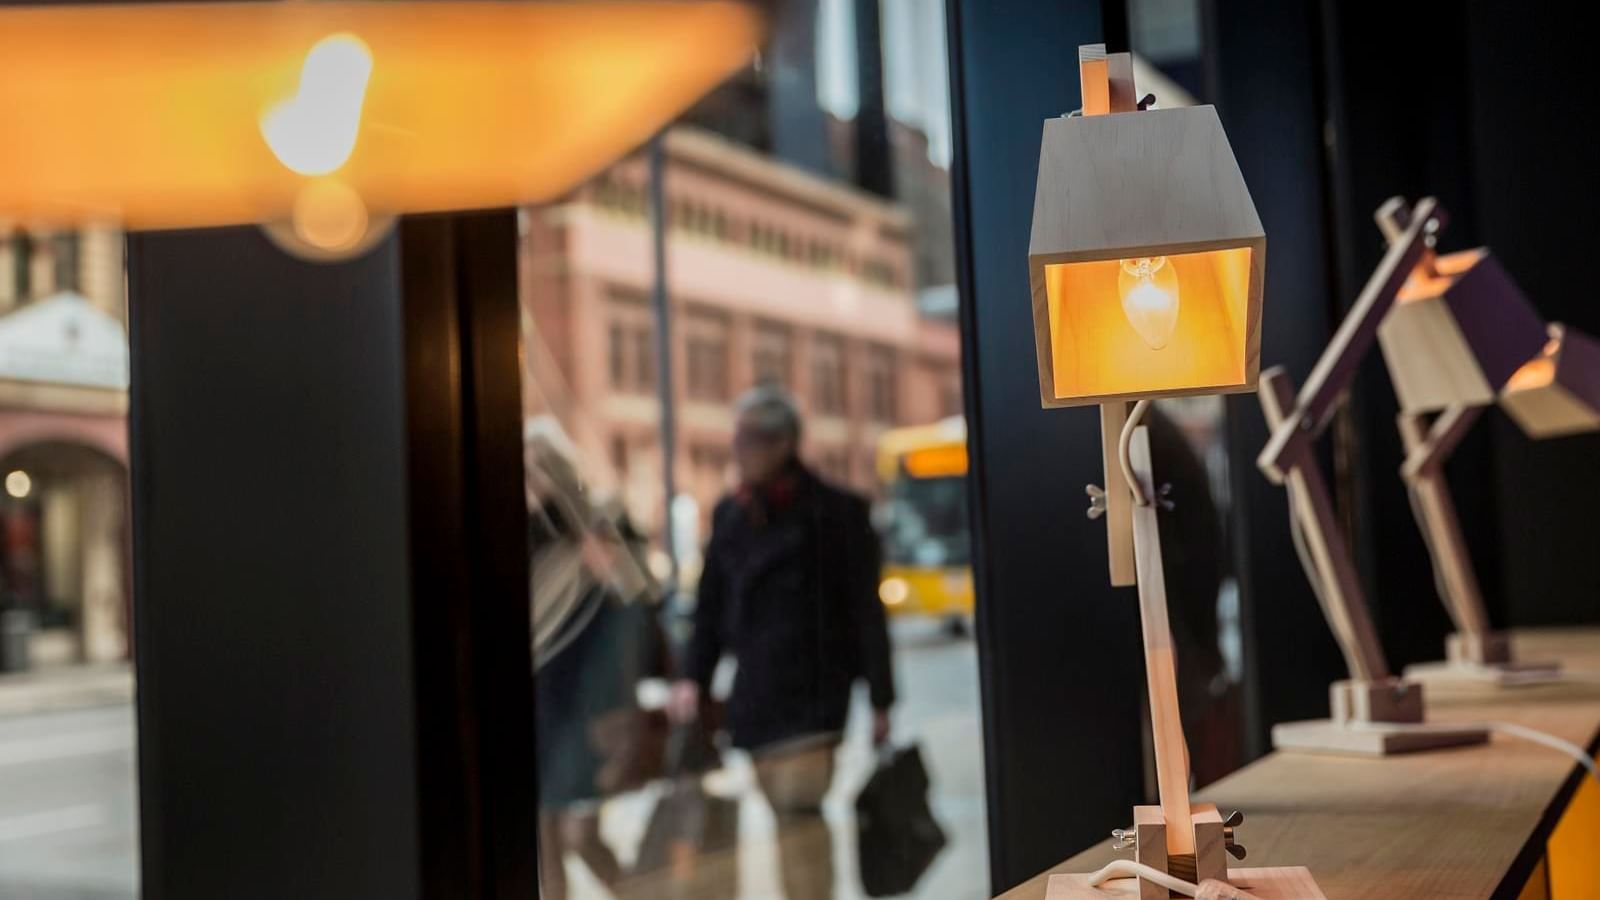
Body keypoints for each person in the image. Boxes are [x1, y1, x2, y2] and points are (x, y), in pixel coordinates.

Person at [668, 384, 896, 900]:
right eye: (737, 438)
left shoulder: (837, 514)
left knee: (800, 825)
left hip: (814, 702)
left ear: (781, 443)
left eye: (748, 439)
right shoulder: (731, 515)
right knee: (786, 822)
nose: (737, 450)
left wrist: (882, 699)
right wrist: (691, 679)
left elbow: (866, 614)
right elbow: (707, 611)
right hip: (756, 703)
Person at [527, 418, 665, 900]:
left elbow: (644, 600)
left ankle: (640, 894)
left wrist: (607, 565)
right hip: (544, 706)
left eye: (536, 472)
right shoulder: (527, 536)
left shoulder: (599, 522)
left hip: (591, 705)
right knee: (544, 845)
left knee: (579, 836)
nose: (528, 486)